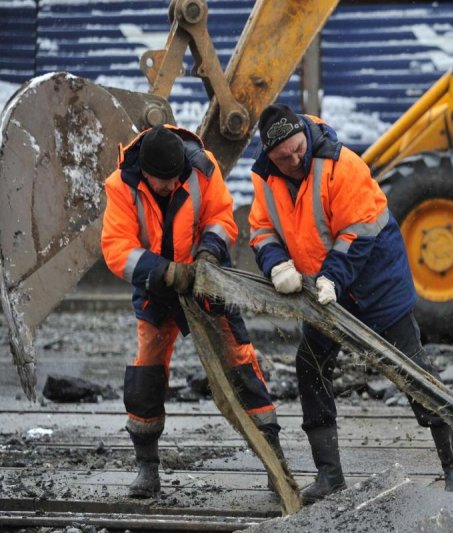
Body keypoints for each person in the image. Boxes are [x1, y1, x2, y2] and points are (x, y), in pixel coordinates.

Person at [248, 103, 453, 504]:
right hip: (323, 293)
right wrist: (275, 263)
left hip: (376, 285)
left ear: (304, 133)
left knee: (412, 370)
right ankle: (329, 475)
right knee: (310, 366)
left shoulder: (341, 164)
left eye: (298, 149)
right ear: (269, 156)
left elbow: (359, 231)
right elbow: (262, 230)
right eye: (284, 158)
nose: (295, 160)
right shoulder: (266, 179)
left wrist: (334, 277)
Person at [101, 124, 283, 499]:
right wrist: (164, 271)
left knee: (239, 363)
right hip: (157, 288)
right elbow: (117, 249)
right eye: (161, 181)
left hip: (205, 280)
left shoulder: (202, 168)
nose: (169, 186)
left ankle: (274, 463)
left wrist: (208, 251)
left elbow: (221, 216)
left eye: (174, 178)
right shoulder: (120, 186)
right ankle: (147, 469)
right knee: (147, 370)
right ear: (145, 172)